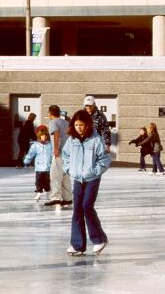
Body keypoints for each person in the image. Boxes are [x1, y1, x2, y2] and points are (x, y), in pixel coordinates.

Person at [62, 109, 111, 256]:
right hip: (77, 179)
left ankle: (99, 239)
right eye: (76, 125)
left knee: (87, 206)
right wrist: (70, 170)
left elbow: (105, 159)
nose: (78, 128)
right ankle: (77, 245)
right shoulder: (72, 140)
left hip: (92, 179)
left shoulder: (96, 139)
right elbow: (65, 156)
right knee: (77, 209)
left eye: (81, 125)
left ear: (87, 125)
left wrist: (94, 172)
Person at [45, 105, 73, 209]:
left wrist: (56, 148)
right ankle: (68, 198)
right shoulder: (66, 123)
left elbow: (56, 134)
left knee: (55, 175)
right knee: (65, 176)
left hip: (59, 152)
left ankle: (56, 197)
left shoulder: (53, 122)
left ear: (50, 113)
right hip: (67, 153)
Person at [23, 125, 52, 202]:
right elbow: (31, 154)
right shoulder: (35, 145)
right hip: (39, 167)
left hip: (48, 167)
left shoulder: (50, 145)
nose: (44, 137)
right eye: (42, 135)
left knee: (47, 181)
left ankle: (48, 192)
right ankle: (38, 192)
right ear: (39, 136)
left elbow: (53, 154)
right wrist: (26, 161)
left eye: (45, 135)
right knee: (38, 181)